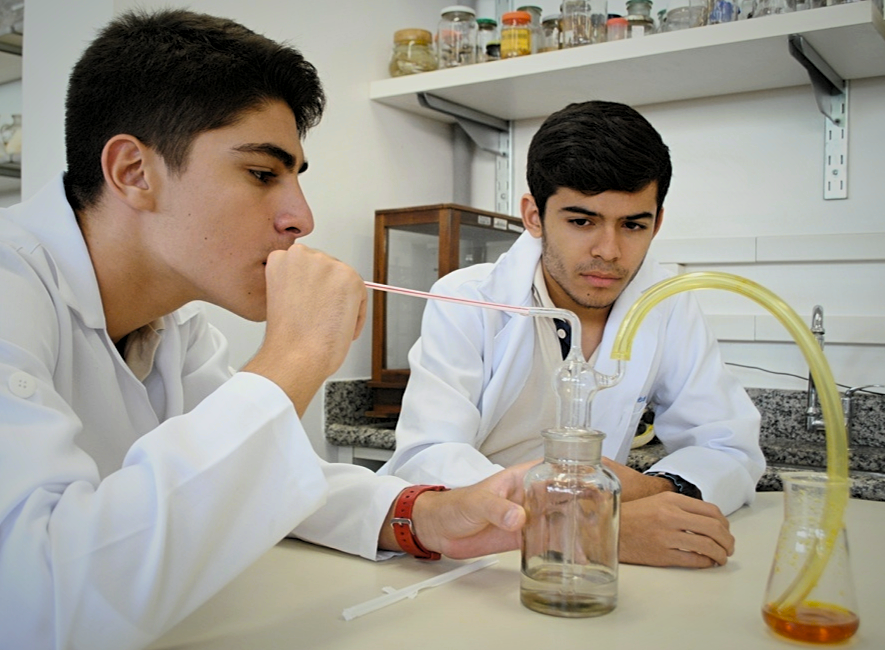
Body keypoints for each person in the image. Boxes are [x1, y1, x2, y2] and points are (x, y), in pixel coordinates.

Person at [0, 9, 531, 650]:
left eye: (294, 178)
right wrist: (296, 355)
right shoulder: (10, 290)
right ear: (133, 171)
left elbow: (260, 474)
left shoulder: (174, 326)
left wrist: (423, 515)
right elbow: (36, 606)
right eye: (261, 174)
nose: (301, 218)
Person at [380, 100, 766, 569]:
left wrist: (654, 489)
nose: (609, 251)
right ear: (533, 216)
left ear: (657, 222)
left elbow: (728, 446)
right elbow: (429, 455)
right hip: (466, 559)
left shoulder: (668, 304)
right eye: (582, 221)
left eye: (633, 225)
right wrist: (591, 524)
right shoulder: (468, 298)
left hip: (590, 571)